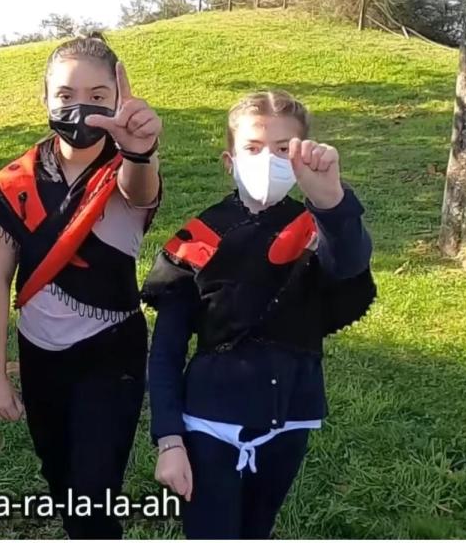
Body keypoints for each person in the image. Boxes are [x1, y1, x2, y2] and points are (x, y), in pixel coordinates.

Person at [142, 91, 376, 539]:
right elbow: (167, 350)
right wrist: (169, 439)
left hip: (290, 419)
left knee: (256, 530)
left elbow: (348, 264)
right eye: (253, 147)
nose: (268, 159)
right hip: (208, 424)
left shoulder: (317, 227)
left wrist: (332, 203)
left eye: (284, 149)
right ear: (230, 160)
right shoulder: (200, 236)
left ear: (302, 155)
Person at [0, 33, 162, 539]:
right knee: (60, 479)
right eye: (67, 95)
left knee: (95, 493)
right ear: (46, 99)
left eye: (99, 96)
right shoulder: (17, 182)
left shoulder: (124, 170)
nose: (82, 108)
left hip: (111, 353)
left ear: (118, 101)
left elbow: (140, 191)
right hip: (39, 356)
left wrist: (140, 152)